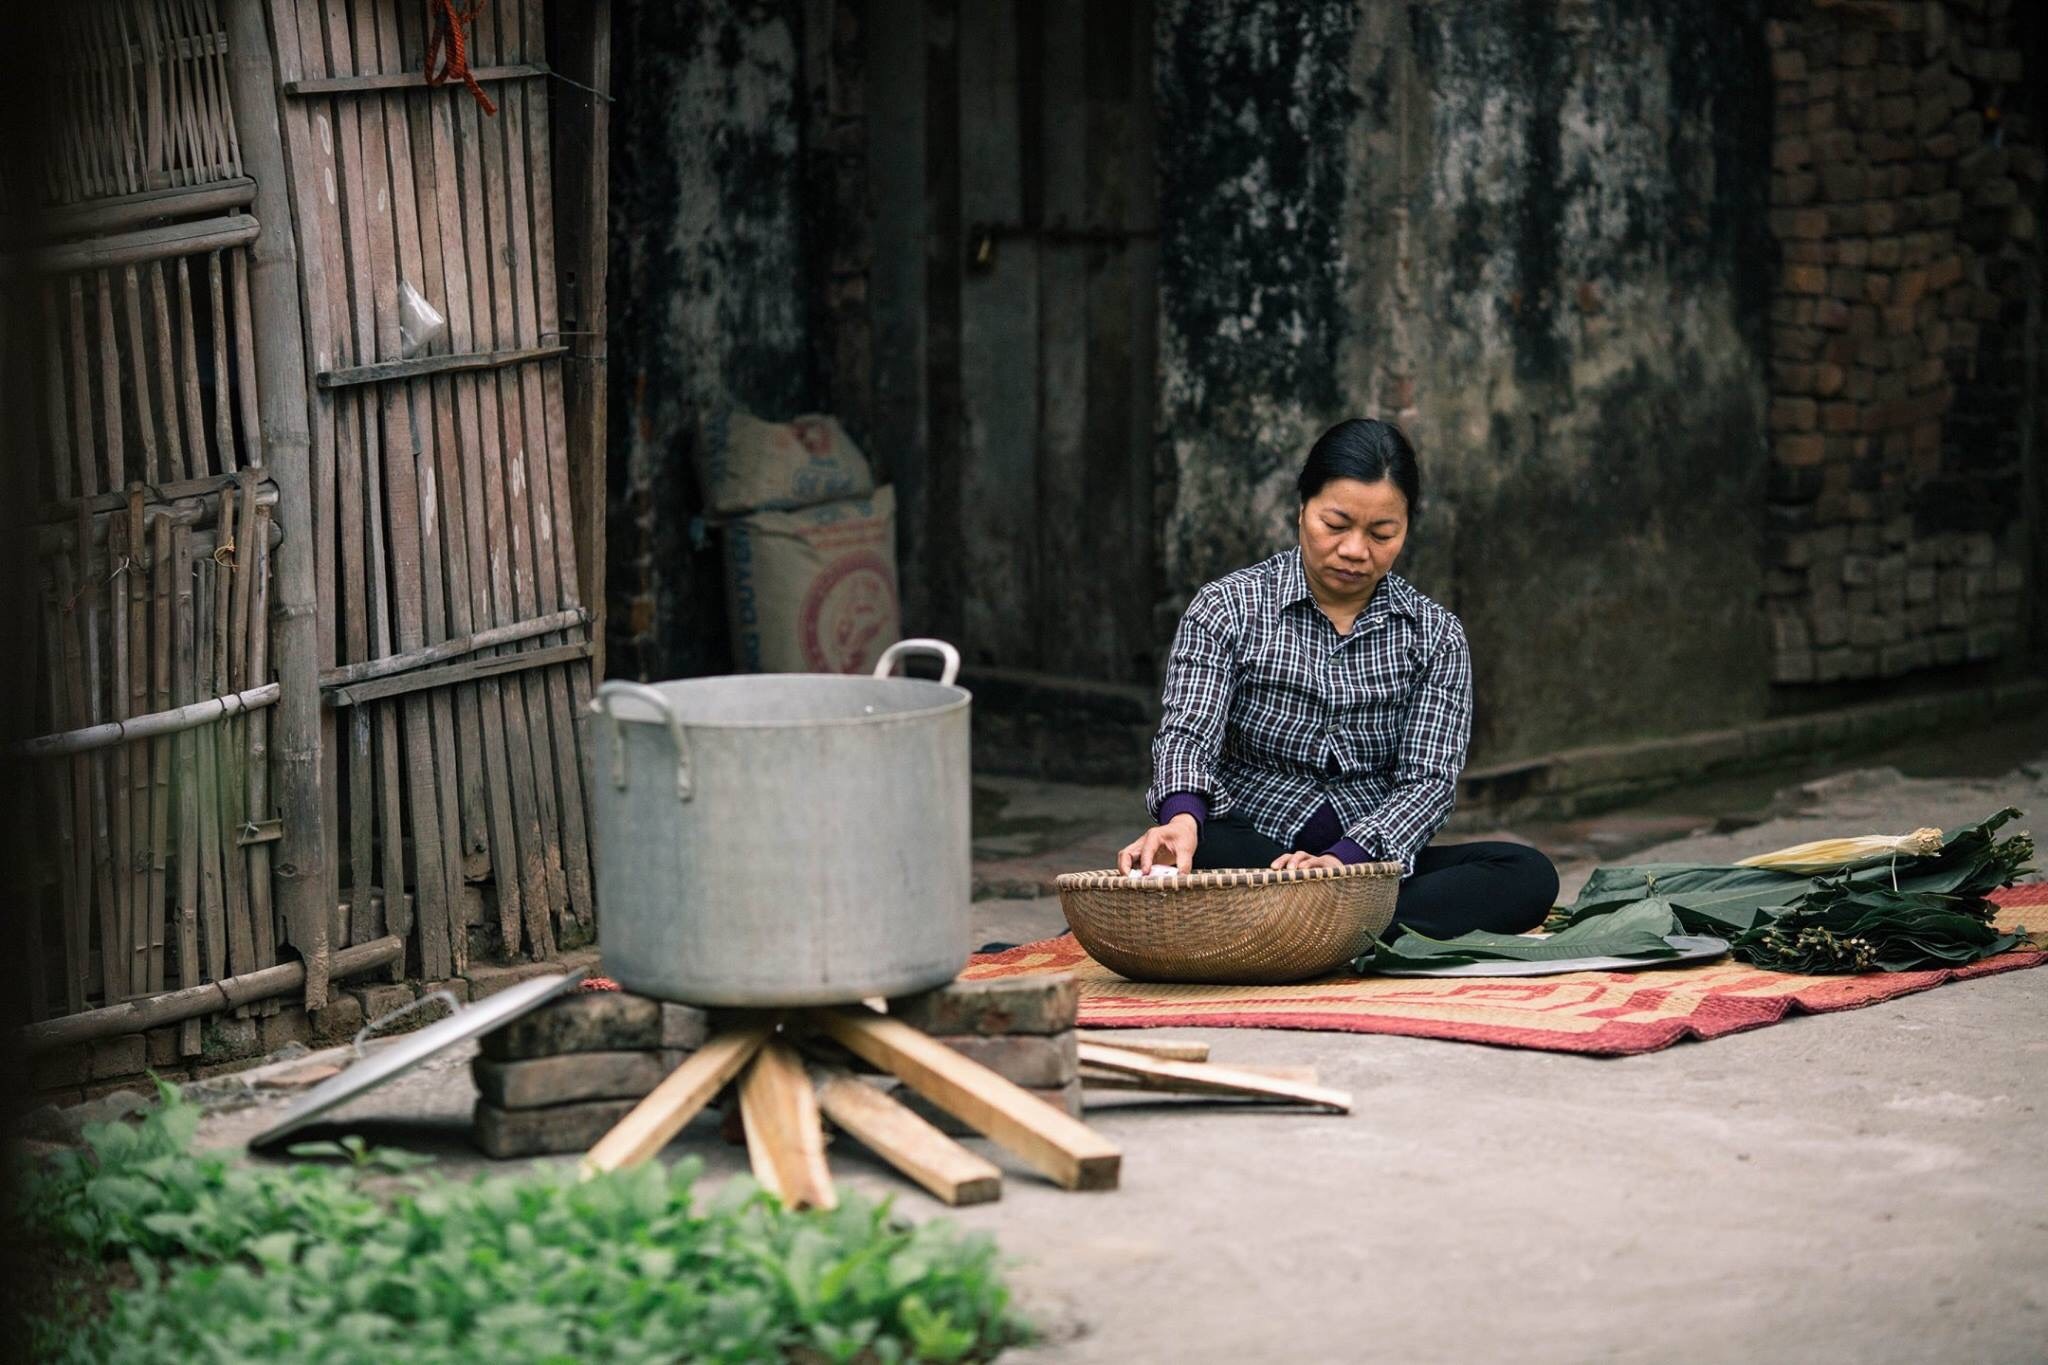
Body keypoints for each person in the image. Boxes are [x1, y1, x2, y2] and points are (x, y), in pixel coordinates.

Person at [1117, 418, 1558, 940]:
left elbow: (1428, 784)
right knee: (1208, 843)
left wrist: (1344, 862)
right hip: (1248, 847)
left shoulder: (1435, 635)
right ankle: (1349, 934)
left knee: (1527, 875)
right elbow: (1189, 735)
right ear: (1302, 508)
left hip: (1365, 868)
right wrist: (1181, 819)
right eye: (1336, 524)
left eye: (1381, 534)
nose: (1355, 550)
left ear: (1406, 529)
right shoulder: (1227, 608)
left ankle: (1298, 926)